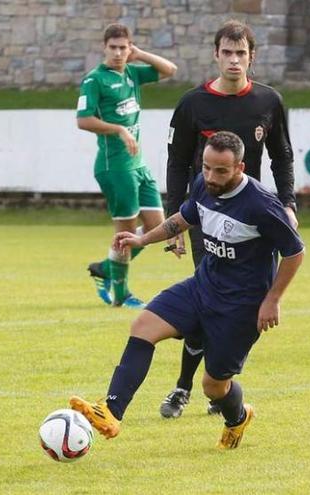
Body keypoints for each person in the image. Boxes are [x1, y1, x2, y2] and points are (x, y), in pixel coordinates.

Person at [69, 131, 305, 450]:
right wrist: (142, 239)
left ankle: (237, 419)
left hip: (241, 307)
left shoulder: (261, 205)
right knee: (143, 326)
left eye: (220, 170)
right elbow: (184, 217)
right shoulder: (202, 184)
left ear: (240, 168)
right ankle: (111, 411)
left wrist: (272, 300)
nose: (211, 175)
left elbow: (294, 252)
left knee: (214, 386)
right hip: (202, 286)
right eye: (206, 167)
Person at [160, 19, 298, 418]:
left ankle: (216, 389)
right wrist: (176, 219)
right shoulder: (192, 104)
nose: (234, 60)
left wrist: (288, 203)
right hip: (207, 218)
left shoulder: (269, 102)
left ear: (252, 58)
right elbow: (177, 162)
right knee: (206, 305)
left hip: (256, 224)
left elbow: (282, 157)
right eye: (227, 52)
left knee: (239, 313)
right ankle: (185, 388)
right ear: (216, 55)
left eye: (241, 53)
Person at [78, 23, 177, 308]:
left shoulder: (132, 73)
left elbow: (171, 70)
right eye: (114, 48)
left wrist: (140, 54)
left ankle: (107, 269)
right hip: (115, 167)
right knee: (125, 232)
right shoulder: (95, 80)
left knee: (157, 228)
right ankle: (120, 295)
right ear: (104, 48)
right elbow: (83, 120)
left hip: (138, 165)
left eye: (124, 47)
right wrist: (119, 130)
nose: (119, 53)